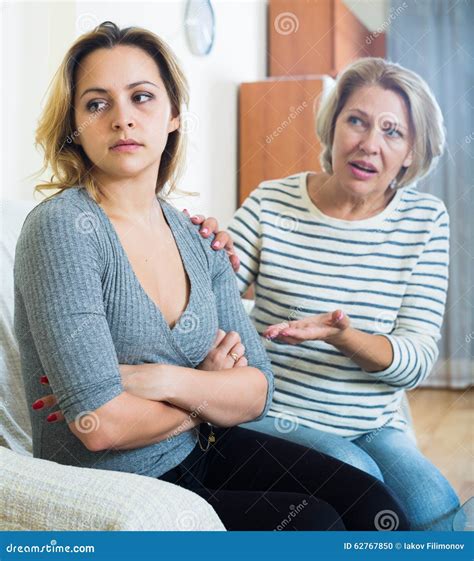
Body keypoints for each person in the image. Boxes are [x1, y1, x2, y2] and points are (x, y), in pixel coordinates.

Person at [16, 23, 409, 531]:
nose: (122, 119)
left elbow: (258, 389)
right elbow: (101, 425)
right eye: (96, 104)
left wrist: (159, 380)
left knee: (371, 505)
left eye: (142, 97)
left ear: (174, 114)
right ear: (73, 124)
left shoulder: (197, 236)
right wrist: (208, 395)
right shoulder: (63, 228)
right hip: (119, 485)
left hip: (200, 451)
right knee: (315, 525)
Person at [189, 57, 460, 530]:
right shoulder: (271, 202)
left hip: (375, 422)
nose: (369, 144)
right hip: (276, 411)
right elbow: (210, 298)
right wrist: (202, 250)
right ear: (332, 128)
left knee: (436, 507)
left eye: (392, 132)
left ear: (413, 152)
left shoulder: (426, 221)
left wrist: (342, 336)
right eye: (356, 121)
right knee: (363, 482)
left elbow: (415, 360)